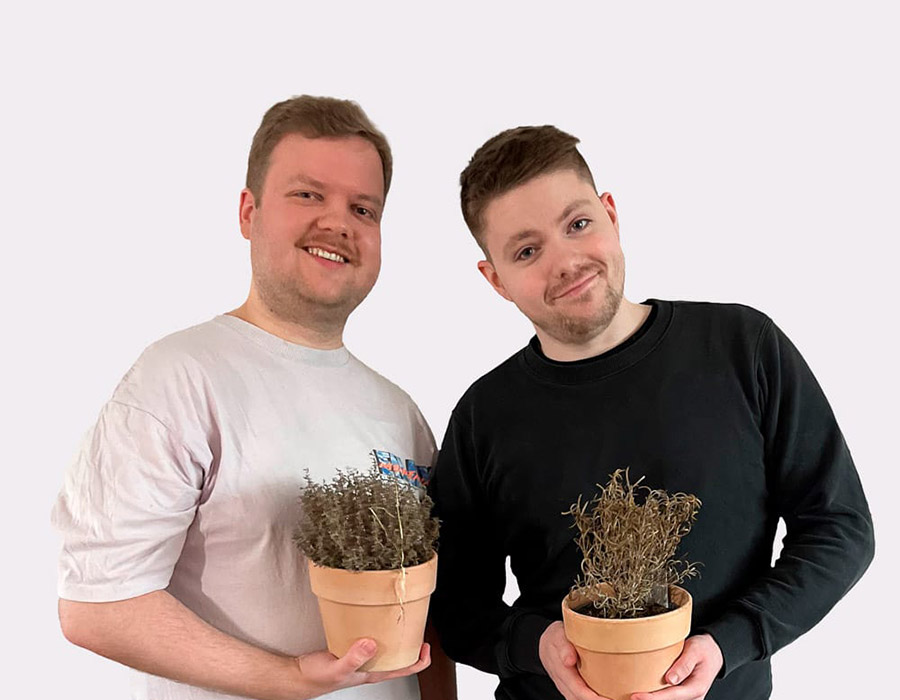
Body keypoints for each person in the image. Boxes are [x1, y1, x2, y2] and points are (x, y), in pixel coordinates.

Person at [427, 125, 875, 700]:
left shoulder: (742, 347)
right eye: (527, 251)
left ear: (611, 214)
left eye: (577, 224)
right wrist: (536, 645)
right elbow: (455, 604)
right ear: (496, 279)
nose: (566, 261)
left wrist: (729, 643)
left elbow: (840, 528)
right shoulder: (483, 415)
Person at [52, 96, 454, 700]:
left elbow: (429, 619)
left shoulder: (400, 413)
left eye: (363, 208)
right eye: (308, 195)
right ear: (249, 211)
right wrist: (285, 678)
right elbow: (97, 605)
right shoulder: (179, 379)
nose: (338, 223)